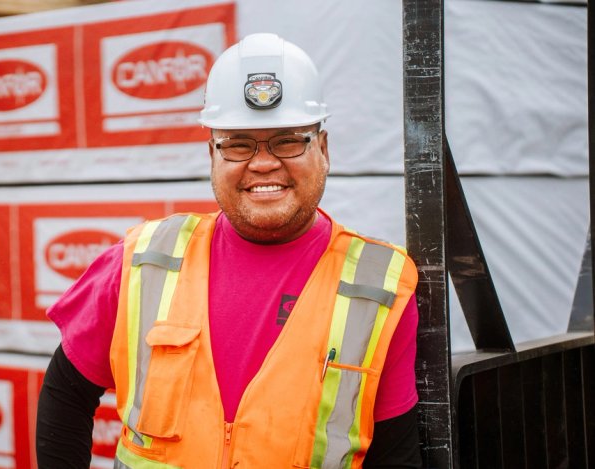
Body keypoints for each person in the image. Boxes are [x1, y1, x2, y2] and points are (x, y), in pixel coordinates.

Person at [37, 33, 421, 468]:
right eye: (238, 143)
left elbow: (396, 455)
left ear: (324, 149)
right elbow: (66, 393)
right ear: (212, 155)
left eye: (288, 140)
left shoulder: (379, 284)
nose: (263, 163)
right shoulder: (141, 259)